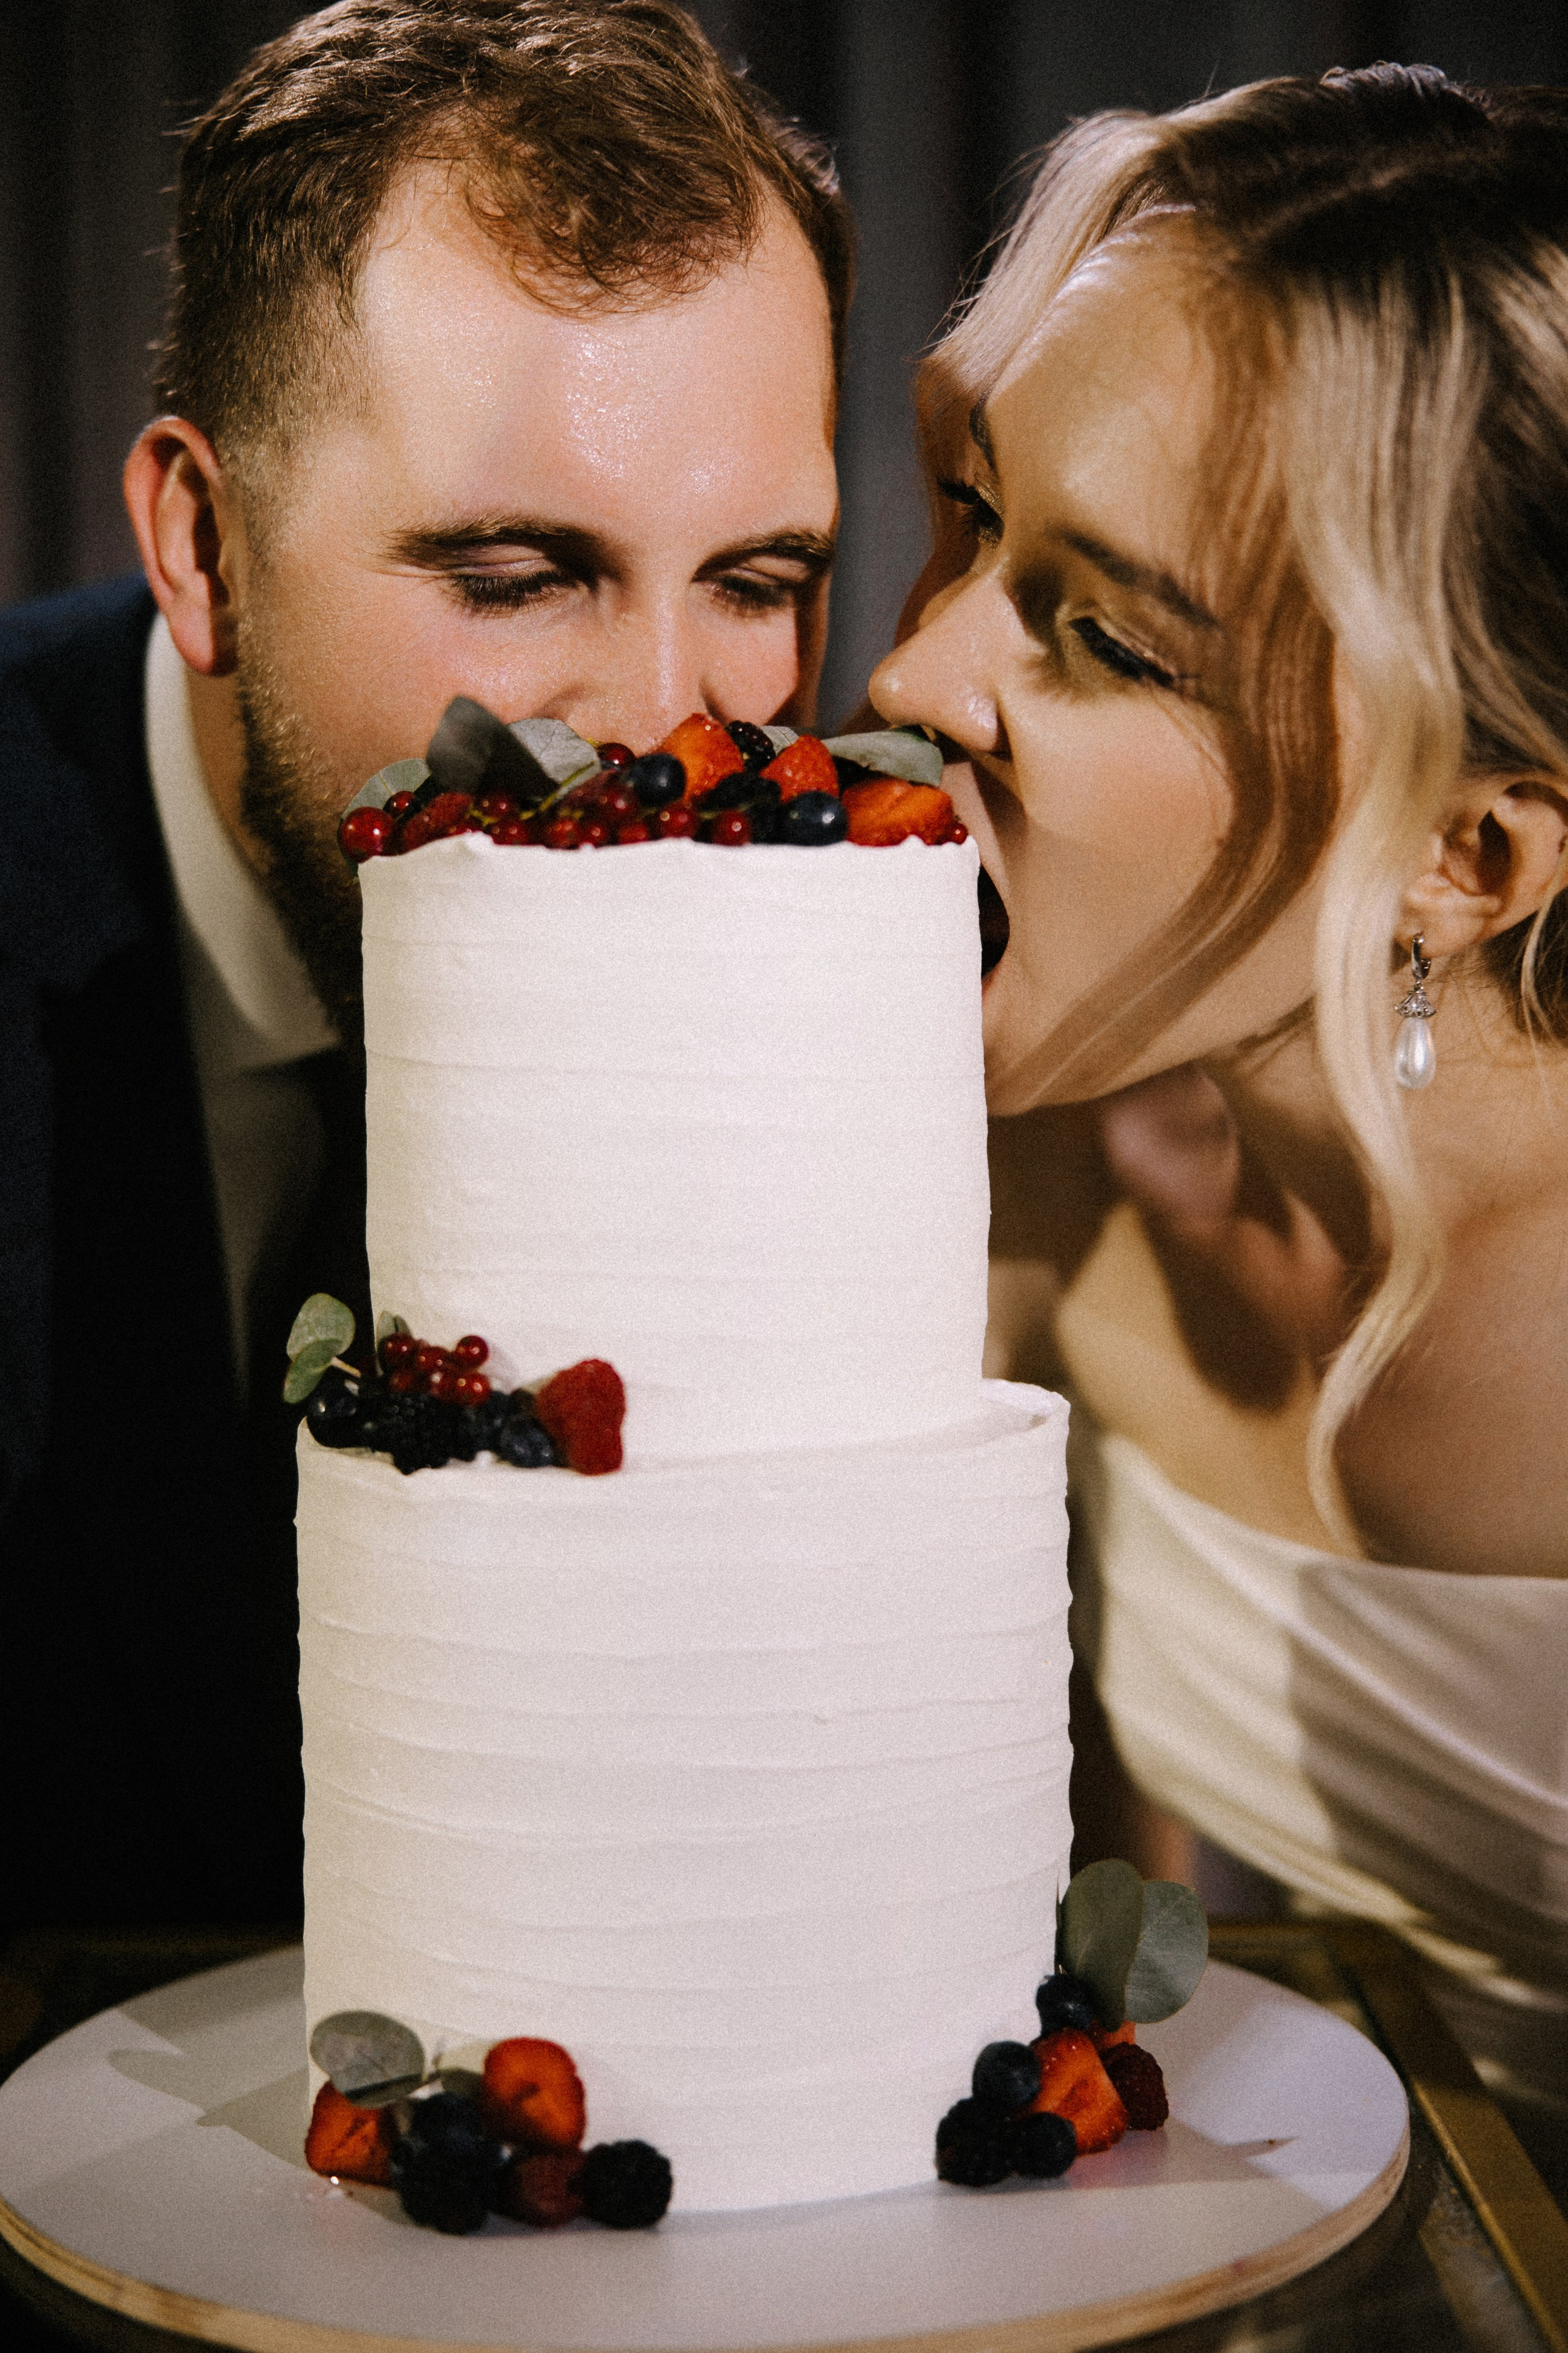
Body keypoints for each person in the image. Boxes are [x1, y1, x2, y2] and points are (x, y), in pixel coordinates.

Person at [0, 0, 849, 1932]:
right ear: (206, 545)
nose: (658, 727)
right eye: (515, 575)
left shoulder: (800, 980)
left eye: (758, 583)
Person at [870, 65, 1568, 2137]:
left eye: (1100, 635)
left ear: (1470, 855)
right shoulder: (1026, 1162)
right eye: (976, 521)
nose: (915, 674)